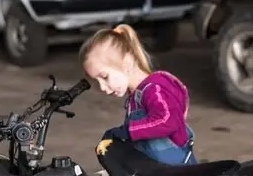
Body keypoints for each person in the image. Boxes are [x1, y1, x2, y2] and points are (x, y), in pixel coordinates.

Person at [79, 24, 197, 168]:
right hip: (156, 170)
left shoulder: (155, 89)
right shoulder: (135, 96)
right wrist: (116, 136)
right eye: (97, 82)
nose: (102, 87)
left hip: (178, 172)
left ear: (127, 63)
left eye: (104, 77)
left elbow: (168, 121)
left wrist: (127, 131)